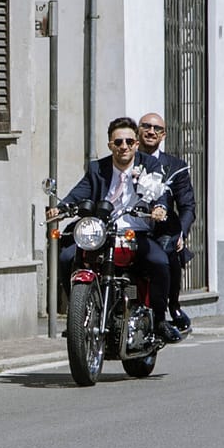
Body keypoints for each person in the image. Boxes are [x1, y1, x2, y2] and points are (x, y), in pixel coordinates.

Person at [46, 116, 183, 342]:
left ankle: (160, 320)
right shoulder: (97, 168)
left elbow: (162, 193)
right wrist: (60, 209)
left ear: (136, 143)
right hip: (102, 231)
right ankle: (78, 315)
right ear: (110, 145)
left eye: (129, 142)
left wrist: (159, 208)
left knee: (160, 262)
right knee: (66, 256)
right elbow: (80, 192)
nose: (124, 147)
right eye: (118, 142)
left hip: (136, 232)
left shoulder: (149, 165)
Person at [137, 111, 195, 333]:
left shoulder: (175, 166)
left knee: (167, 251)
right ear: (138, 130)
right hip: (129, 227)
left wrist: (181, 233)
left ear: (163, 135)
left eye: (157, 129)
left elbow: (187, 206)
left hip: (162, 229)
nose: (151, 132)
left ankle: (172, 306)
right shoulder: (126, 158)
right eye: (146, 127)